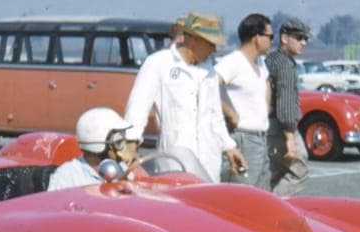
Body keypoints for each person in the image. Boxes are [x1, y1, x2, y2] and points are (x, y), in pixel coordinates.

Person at [123, 11, 245, 182]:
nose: (214, 50)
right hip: (175, 162)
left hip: (209, 162)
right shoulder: (158, 63)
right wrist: (131, 143)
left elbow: (215, 115)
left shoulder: (208, 70)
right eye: (211, 44)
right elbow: (138, 107)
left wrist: (229, 147)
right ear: (194, 40)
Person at [216, 13, 273, 188]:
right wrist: (230, 113)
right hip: (242, 140)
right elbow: (210, 85)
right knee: (240, 198)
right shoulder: (233, 61)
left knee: (262, 199)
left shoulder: (261, 64)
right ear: (257, 37)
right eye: (270, 36)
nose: (272, 41)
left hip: (261, 140)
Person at [266, 18, 311, 197]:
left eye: (306, 39)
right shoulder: (284, 65)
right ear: (284, 38)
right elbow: (284, 103)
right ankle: (273, 208)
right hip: (281, 127)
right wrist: (290, 139)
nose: (303, 43)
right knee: (299, 170)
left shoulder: (272, 59)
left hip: (269, 127)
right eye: (299, 38)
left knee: (276, 173)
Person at [47, 107, 139, 191]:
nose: (124, 147)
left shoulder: (122, 168)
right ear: (99, 142)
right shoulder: (67, 175)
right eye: (118, 142)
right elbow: (53, 206)